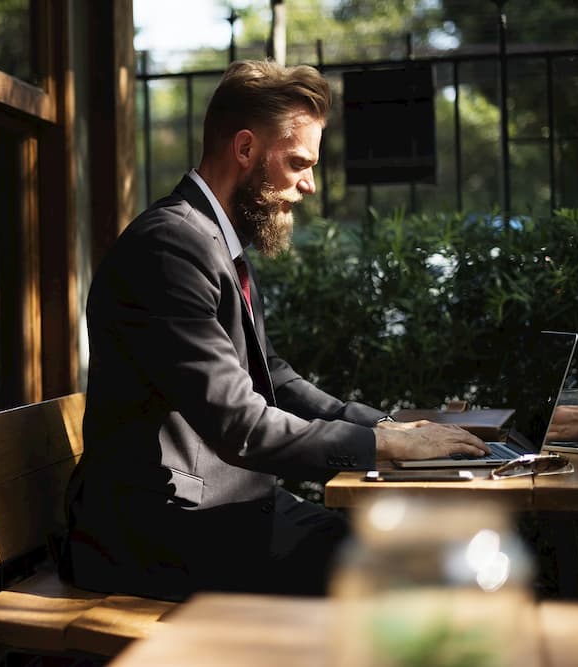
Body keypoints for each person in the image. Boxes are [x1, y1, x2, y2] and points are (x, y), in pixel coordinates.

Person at [59, 59, 488, 601]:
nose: (309, 185)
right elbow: (242, 425)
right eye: (298, 163)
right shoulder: (169, 247)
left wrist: (389, 427)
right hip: (158, 536)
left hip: (221, 513)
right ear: (245, 150)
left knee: (415, 551)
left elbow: (272, 377)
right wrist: (383, 445)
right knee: (408, 568)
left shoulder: (212, 239)